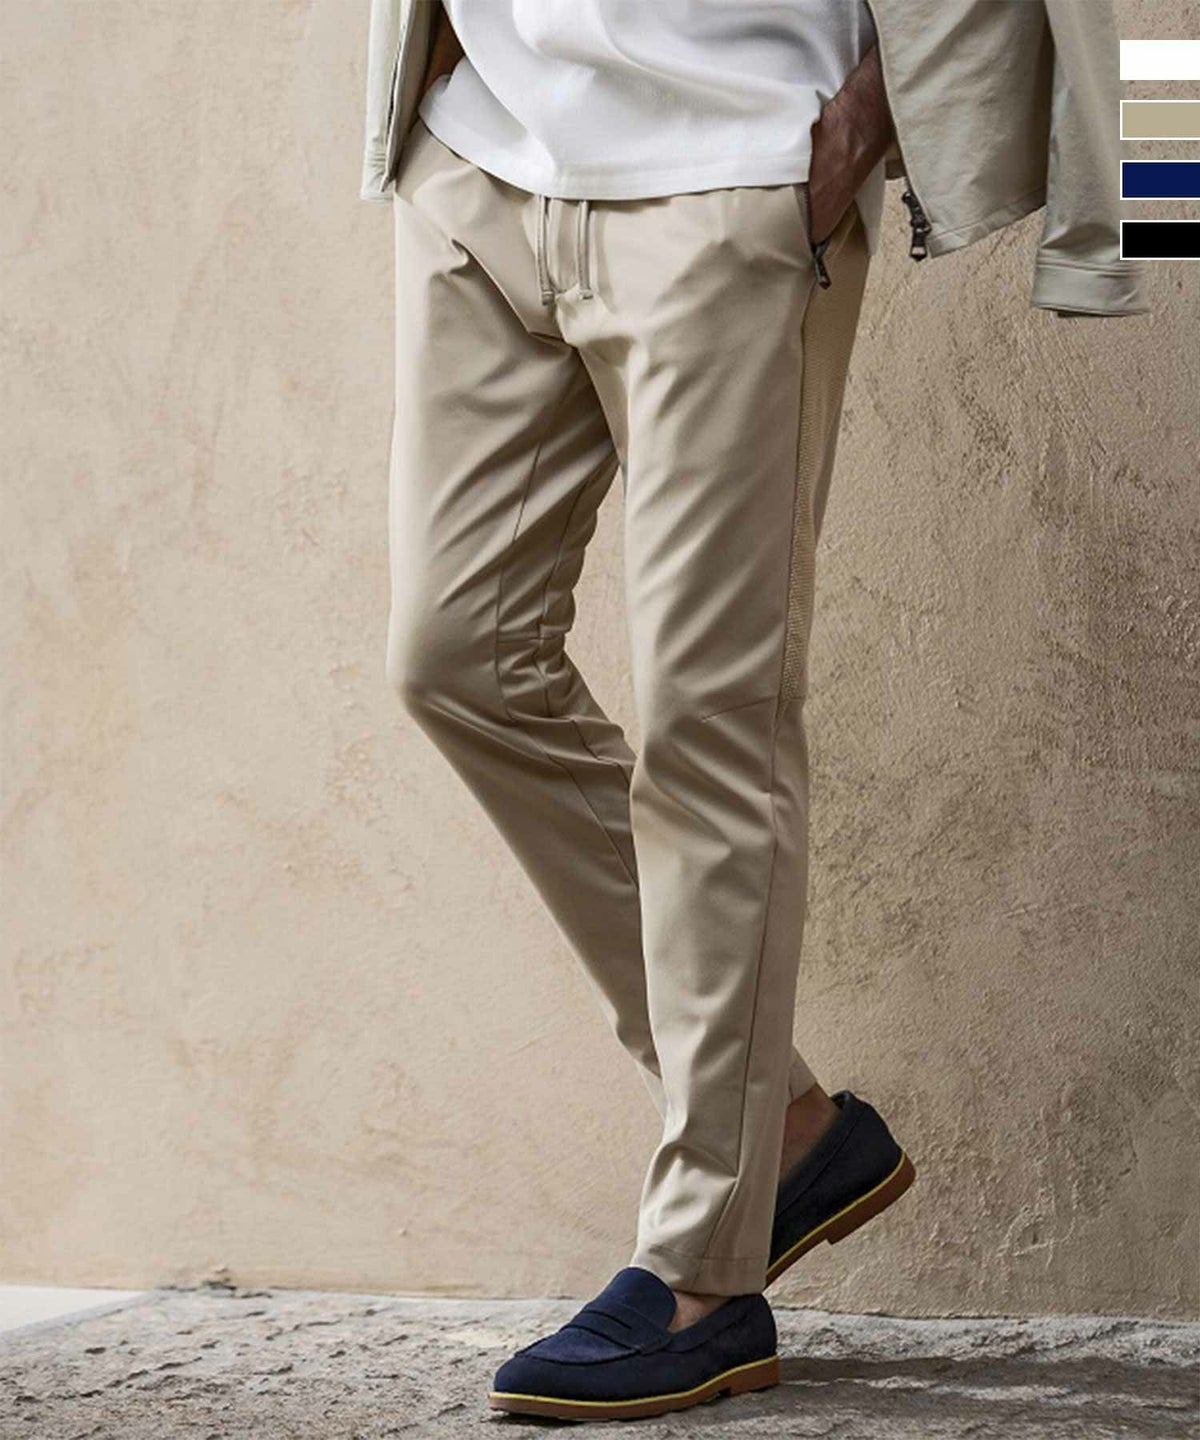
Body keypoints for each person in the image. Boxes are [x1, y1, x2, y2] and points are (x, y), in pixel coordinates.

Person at [359, 0, 1146, 1422]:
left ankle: (704, 1273)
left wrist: (875, 116)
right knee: (453, 658)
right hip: (482, 157)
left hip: (736, 173)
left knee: (711, 724)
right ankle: (778, 1124)